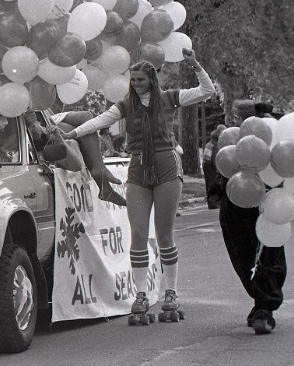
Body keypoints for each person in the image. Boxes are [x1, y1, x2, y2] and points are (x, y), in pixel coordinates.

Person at [62, 49, 215, 321]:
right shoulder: (125, 105)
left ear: (152, 81)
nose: (135, 85)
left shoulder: (170, 98)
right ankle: (141, 294)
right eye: (133, 80)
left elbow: (207, 91)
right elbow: (98, 121)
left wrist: (195, 64)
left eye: (141, 80)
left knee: (164, 234)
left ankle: (171, 292)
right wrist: (72, 133)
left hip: (167, 166)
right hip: (138, 169)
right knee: (139, 234)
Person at [220, 100, 286, 334]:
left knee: (263, 254)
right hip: (236, 207)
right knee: (250, 257)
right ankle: (261, 304)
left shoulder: (271, 139)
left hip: (266, 205)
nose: (231, 122)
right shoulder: (230, 140)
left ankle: (263, 307)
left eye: (235, 117)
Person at [202, 125, 226, 209]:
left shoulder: (213, 141)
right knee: (212, 183)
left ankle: (213, 202)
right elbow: (214, 158)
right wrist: (217, 170)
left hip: (207, 164)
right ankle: (213, 203)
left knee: (211, 183)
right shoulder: (215, 143)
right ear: (219, 132)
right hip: (209, 165)